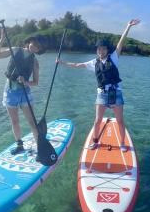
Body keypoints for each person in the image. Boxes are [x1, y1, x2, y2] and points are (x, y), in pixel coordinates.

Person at [57, 19, 140, 152]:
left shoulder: (113, 58)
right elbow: (78, 65)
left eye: (103, 48)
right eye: (99, 48)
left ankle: (123, 143)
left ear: (107, 50)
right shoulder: (93, 62)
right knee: (97, 120)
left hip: (115, 93)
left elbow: (120, 43)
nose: (100, 50)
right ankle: (95, 141)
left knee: (119, 121)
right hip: (101, 94)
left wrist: (128, 27)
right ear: (97, 50)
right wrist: (62, 63)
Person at [0, 28, 46, 155]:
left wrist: (25, 81)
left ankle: (40, 149)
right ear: (29, 42)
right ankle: (19, 145)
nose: (35, 47)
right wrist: (1, 40)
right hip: (10, 91)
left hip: (25, 93)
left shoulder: (34, 61)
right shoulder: (15, 50)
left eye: (38, 47)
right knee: (15, 121)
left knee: (32, 121)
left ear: (39, 50)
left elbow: (36, 82)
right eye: (35, 43)